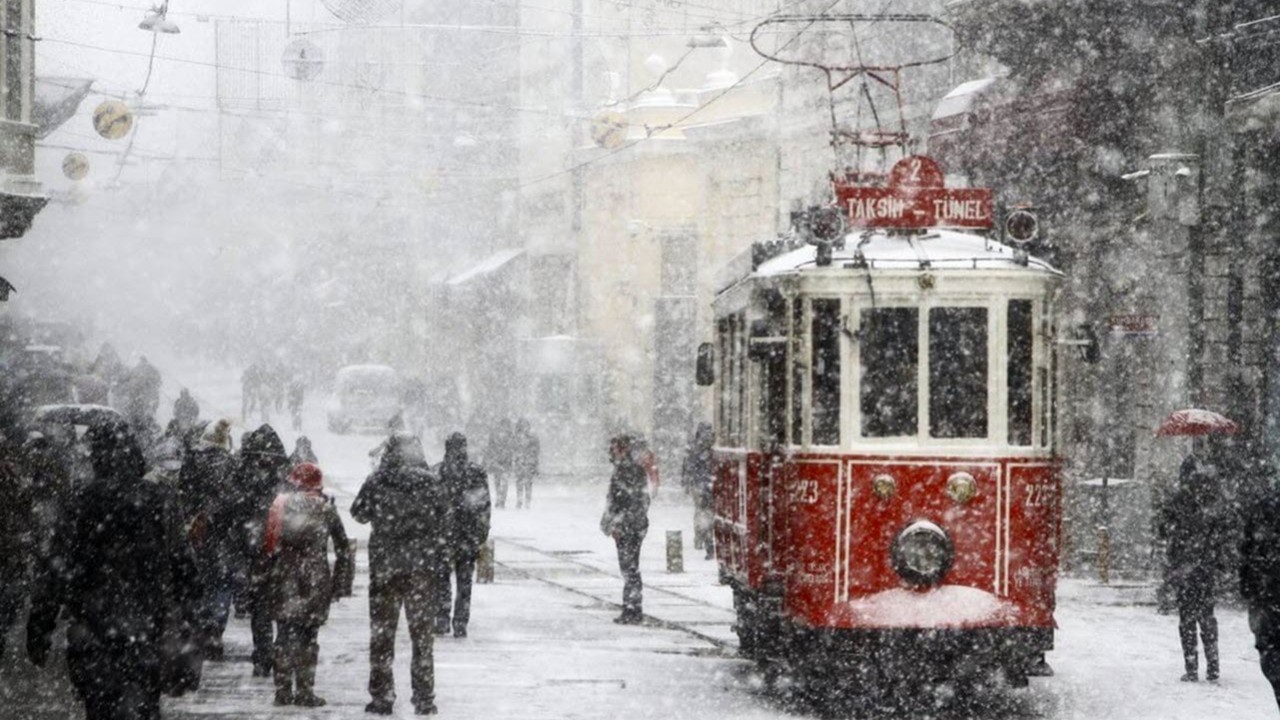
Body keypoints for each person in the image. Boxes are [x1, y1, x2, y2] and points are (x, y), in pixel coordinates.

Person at [26, 421, 200, 720]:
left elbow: (55, 568)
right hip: (147, 623)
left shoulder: (80, 502)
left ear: (97, 459)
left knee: (99, 704)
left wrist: (41, 624)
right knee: (144, 701)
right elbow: (183, 562)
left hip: (93, 626)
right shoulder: (160, 500)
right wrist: (190, 612)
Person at [352, 433, 450, 716]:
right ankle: (424, 698)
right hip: (421, 568)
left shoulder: (378, 480)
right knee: (422, 638)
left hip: (386, 567)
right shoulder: (431, 482)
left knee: (382, 635)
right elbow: (445, 518)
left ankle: (382, 695)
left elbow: (359, 513)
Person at [262, 462, 353, 707]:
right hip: (315, 577)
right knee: (308, 637)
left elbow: (266, 545)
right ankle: (304, 691)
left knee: (283, 636)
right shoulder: (326, 509)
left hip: (285, 576)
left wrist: (262, 579)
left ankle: (282, 691)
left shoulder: (280, 506)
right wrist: (341, 584)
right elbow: (344, 547)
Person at [1158, 444, 1225, 682]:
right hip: (1204, 566)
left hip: (1184, 566)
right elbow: (1220, 531)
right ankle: (1214, 666)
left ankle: (1191, 668)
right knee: (1207, 615)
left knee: (1186, 618)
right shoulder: (1211, 499)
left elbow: (1163, 530)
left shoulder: (1176, 499)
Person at [233, 424, 292, 676]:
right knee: (283, 604)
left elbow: (236, 509)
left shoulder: (244, 473)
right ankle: (280, 653)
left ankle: (263, 655)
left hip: (257, 548)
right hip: (281, 547)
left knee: (261, 604)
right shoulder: (285, 475)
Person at [179, 418, 238, 659]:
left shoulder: (192, 462)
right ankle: (215, 628)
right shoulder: (231, 464)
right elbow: (236, 499)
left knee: (200, 582)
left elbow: (183, 494)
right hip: (223, 534)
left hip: (196, 532)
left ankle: (200, 628)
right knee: (222, 583)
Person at [433, 432, 491, 637]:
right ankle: (460, 622)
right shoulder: (476, 472)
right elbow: (484, 505)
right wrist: (481, 534)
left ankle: (442, 618)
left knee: (442, 579)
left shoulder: (437, 472)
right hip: (467, 536)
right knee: (464, 582)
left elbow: (430, 506)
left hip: (443, 535)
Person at [601, 434, 650, 624]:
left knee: (629, 568)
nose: (611, 453)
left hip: (629, 527)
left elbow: (622, 501)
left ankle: (632, 608)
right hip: (631, 526)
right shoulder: (628, 470)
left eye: (614, 449)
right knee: (629, 567)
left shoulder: (626, 471)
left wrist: (619, 521)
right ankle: (631, 607)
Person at [1241, 472, 1280, 710]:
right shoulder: (1262, 509)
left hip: (1267, 597)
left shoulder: (1262, 508)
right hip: (1267, 595)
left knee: (1271, 654)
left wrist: (1249, 589)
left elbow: (1247, 554)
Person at [681, 422, 715, 560]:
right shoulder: (713, 444)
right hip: (711, 483)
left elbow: (687, 465)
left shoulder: (694, 445)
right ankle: (707, 539)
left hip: (698, 484)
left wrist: (686, 482)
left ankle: (700, 537)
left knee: (700, 511)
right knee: (709, 513)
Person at [484, 418, 513, 509]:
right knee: (498, 482)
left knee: (503, 482)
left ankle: (501, 500)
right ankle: (499, 498)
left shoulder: (510, 436)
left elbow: (512, 448)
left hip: (505, 461)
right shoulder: (495, 435)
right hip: (497, 461)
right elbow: (490, 447)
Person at [512, 418, 540, 509]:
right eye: (522, 425)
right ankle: (520, 500)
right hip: (520, 461)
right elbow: (513, 448)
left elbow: (536, 450)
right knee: (520, 482)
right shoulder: (516, 437)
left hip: (528, 462)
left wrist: (533, 460)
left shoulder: (532, 437)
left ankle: (527, 501)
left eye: (525, 425)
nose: (524, 427)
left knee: (528, 483)